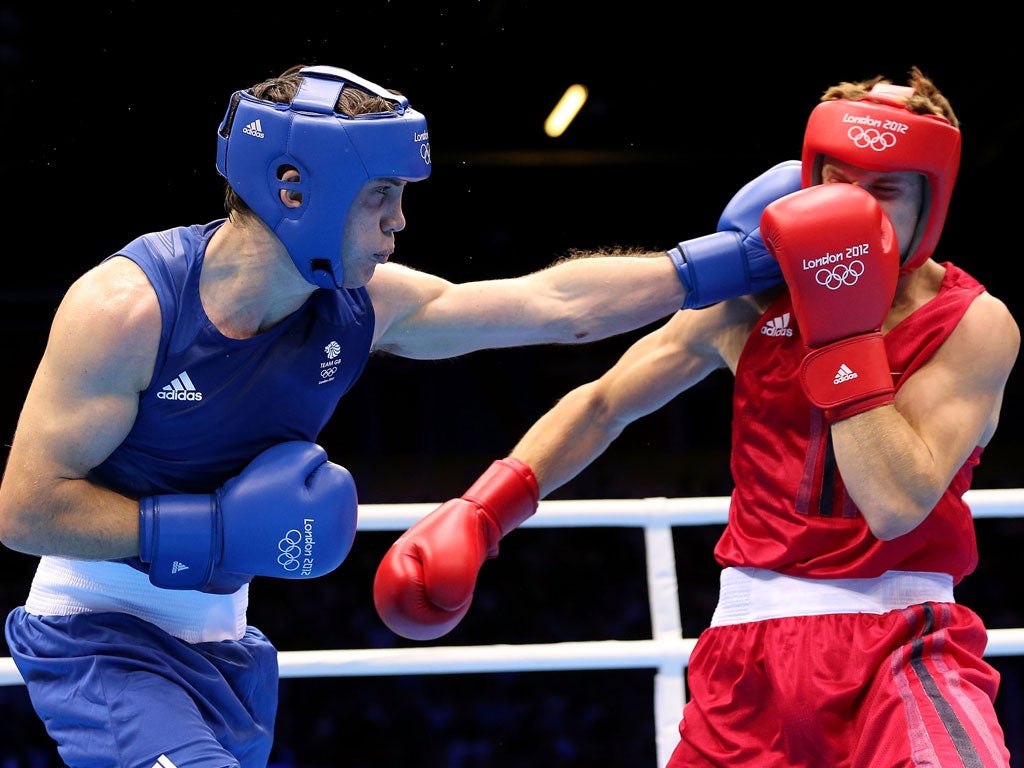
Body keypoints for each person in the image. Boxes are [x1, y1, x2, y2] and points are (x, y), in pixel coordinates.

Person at [0, 62, 803, 767]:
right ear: (293, 188)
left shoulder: (361, 308)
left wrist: (730, 262)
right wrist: (206, 529)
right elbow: (26, 509)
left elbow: (556, 305)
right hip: (99, 632)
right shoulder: (128, 309)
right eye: (381, 195)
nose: (400, 220)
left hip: (225, 643)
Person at [374, 66, 1020, 767]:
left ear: (932, 200)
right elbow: (603, 402)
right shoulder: (748, 305)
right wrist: (484, 510)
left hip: (903, 646)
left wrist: (843, 333)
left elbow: (895, 503)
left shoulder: (972, 324)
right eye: (839, 185)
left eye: (884, 191)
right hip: (745, 660)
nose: (854, 213)